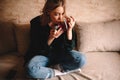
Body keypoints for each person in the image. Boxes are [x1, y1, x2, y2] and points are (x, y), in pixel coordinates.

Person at [24, 0, 86, 79]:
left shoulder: (65, 22)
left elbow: (69, 49)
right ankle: (59, 72)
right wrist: (51, 38)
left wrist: (69, 30)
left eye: (62, 13)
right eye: (56, 14)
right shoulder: (36, 23)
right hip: (42, 56)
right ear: (48, 12)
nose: (60, 17)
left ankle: (55, 68)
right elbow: (36, 49)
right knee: (30, 70)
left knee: (81, 59)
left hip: (60, 54)